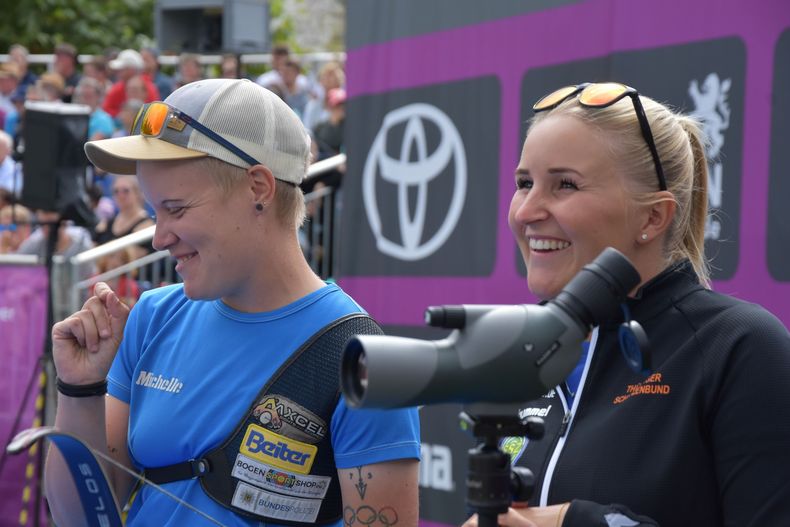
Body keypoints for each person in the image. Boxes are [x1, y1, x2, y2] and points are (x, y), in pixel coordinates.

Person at [44, 78, 421, 526]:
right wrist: (79, 389)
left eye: (177, 209)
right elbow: (79, 517)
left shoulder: (360, 358)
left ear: (258, 188)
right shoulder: (151, 317)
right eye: (153, 213)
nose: (160, 238)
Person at [461, 82, 790, 527]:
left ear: (653, 217)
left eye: (565, 185)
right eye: (524, 183)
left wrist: (572, 521)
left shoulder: (738, 346)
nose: (526, 211)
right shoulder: (525, 349)